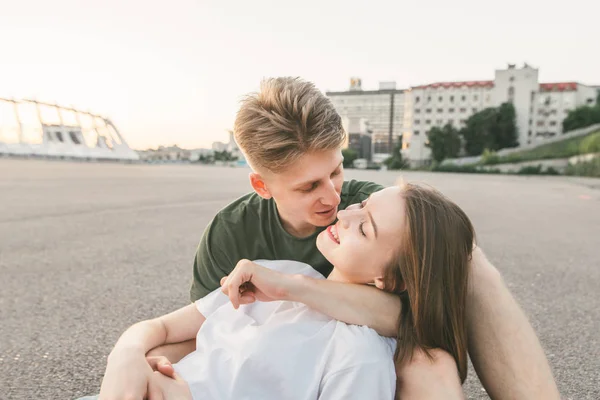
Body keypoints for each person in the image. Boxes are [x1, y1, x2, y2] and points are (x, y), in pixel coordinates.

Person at [101, 77, 559, 399]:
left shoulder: (367, 212)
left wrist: (294, 289)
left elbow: (420, 316)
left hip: (367, 354)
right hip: (266, 362)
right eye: (308, 187)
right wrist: (130, 356)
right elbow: (205, 334)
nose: (334, 198)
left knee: (455, 294)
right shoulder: (231, 234)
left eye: (336, 171)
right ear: (263, 186)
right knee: (153, 359)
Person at [95, 182, 473, 400]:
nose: (343, 213)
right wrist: (126, 357)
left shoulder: (359, 356)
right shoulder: (277, 274)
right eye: (360, 204)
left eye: (365, 228)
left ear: (388, 280)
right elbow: (158, 329)